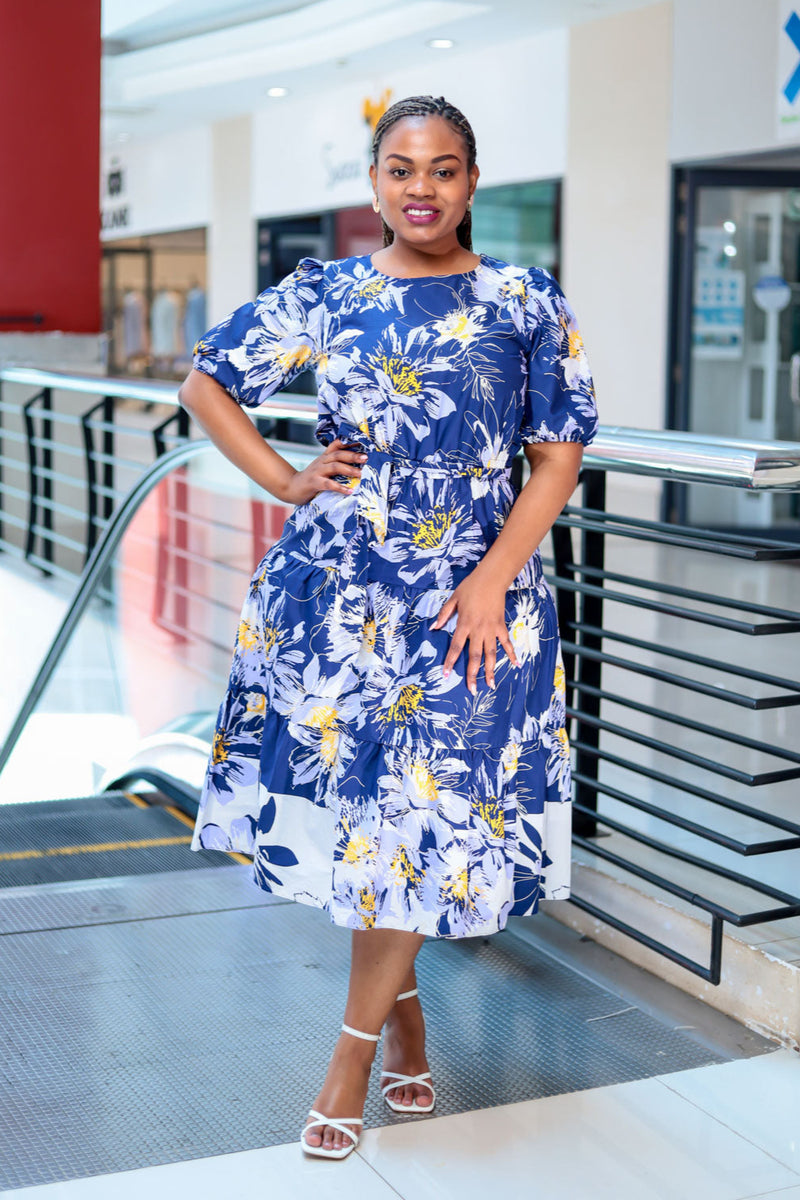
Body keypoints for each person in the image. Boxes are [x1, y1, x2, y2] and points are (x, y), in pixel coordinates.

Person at [178, 94, 598, 1161]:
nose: (422, 189)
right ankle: (404, 1013)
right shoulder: (325, 292)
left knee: (432, 812)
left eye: (444, 169)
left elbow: (554, 453)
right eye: (402, 169)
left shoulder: (521, 300)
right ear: (373, 183)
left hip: (473, 604)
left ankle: (352, 1052)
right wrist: (285, 477)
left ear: (470, 183)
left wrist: (491, 579)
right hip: (340, 597)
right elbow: (205, 384)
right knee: (376, 825)